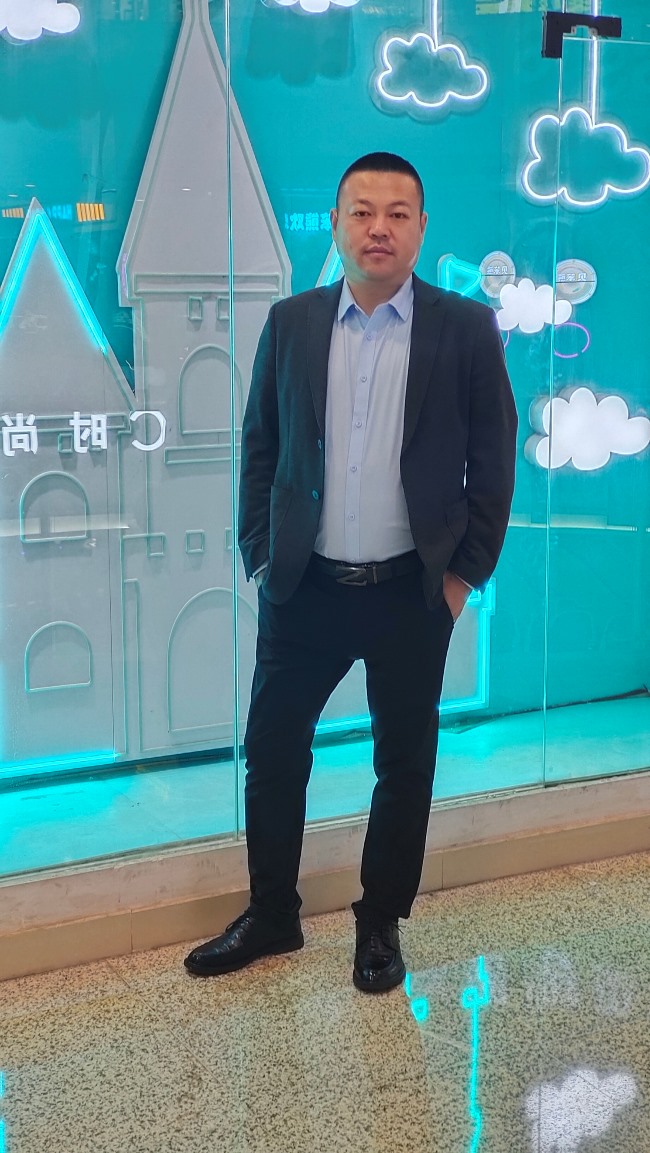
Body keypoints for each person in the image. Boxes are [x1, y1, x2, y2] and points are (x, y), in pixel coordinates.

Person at [184, 152, 517, 992]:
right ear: (335, 224)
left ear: (421, 228)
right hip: (304, 587)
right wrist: (263, 554)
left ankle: (379, 922)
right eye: (362, 211)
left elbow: (494, 460)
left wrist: (460, 579)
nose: (379, 228)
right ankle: (272, 912)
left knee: (404, 762)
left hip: (412, 591)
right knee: (273, 750)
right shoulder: (292, 322)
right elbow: (262, 444)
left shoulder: (464, 328)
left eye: (398, 213)